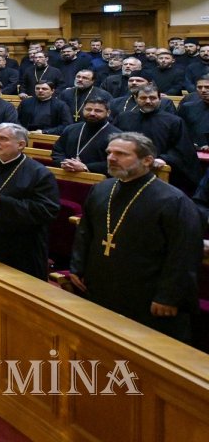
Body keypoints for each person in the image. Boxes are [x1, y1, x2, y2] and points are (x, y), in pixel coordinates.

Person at [69, 133, 202, 342]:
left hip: (146, 294)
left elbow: (184, 253)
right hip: (101, 285)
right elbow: (85, 231)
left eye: (121, 154)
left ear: (147, 160)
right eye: (109, 152)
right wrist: (77, 266)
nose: (111, 158)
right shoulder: (102, 188)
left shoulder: (173, 200)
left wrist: (169, 296)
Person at [0, 123, 60, 279]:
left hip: (17, 244)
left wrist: (0, 200)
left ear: (21, 144)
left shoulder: (39, 173)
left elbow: (46, 211)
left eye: (3, 138)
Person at [115, 85, 199, 194]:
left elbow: (183, 149)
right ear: (136, 99)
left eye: (153, 98)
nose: (148, 101)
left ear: (160, 99)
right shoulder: (124, 118)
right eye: (143, 98)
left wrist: (165, 159)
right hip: (127, 170)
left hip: (161, 173)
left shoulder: (174, 121)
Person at [52, 97, 119, 175]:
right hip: (66, 175)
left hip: (97, 180)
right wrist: (64, 163)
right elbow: (57, 151)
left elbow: (116, 161)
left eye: (98, 111)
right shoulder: (70, 129)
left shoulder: (117, 136)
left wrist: (85, 167)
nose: (92, 113)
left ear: (108, 113)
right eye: (88, 109)